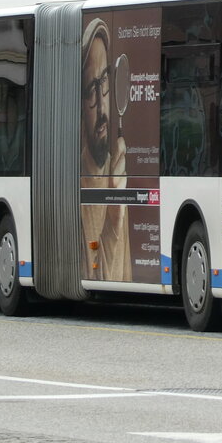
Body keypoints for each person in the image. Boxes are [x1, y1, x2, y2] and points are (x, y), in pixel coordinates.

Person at [79, 17, 131, 281]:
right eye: (91, 90)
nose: (101, 106)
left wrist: (117, 212)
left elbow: (124, 278)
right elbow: (90, 275)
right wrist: (112, 218)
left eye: (104, 82)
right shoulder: (76, 186)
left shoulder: (117, 173)